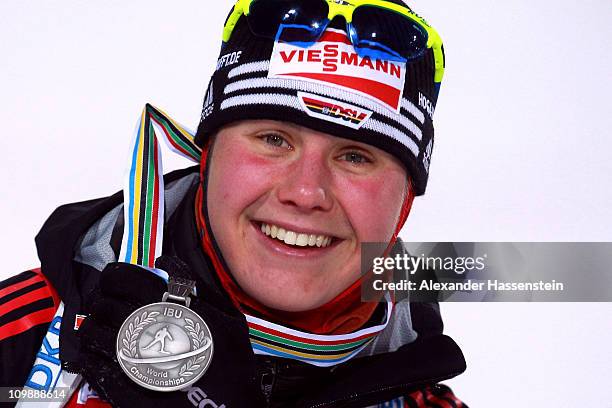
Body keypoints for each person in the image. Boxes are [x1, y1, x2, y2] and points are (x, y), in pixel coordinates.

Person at [0, 0, 468, 406]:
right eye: (273, 139)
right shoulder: (24, 339)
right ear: (207, 157)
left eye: (354, 156)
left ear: (404, 198)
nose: (305, 193)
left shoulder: (420, 398)